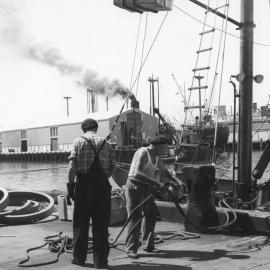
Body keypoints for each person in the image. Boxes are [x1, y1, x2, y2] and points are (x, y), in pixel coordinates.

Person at [67, 118, 115, 269]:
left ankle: (79, 259)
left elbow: (72, 166)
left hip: (84, 186)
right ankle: (101, 262)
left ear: (83, 129)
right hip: (102, 187)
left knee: (81, 223)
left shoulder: (78, 142)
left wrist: (70, 188)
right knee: (101, 225)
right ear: (96, 128)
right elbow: (113, 168)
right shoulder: (107, 144)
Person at [125, 135, 179, 259]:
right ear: (157, 145)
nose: (166, 150)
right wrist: (158, 183)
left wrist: (177, 181)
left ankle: (148, 245)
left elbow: (165, 172)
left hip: (147, 188)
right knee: (135, 218)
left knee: (150, 216)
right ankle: (131, 249)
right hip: (134, 187)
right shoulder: (143, 153)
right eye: (165, 147)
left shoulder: (157, 157)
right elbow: (136, 174)